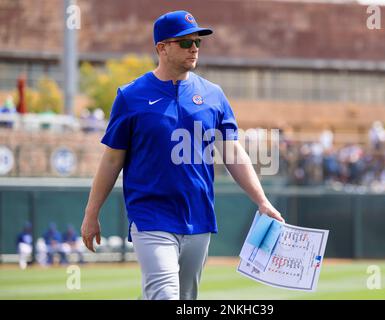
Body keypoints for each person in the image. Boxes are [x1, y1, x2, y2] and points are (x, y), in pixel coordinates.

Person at [81, 10, 284, 300]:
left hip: (199, 216)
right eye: (185, 43)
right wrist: (91, 213)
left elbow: (232, 152)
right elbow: (112, 159)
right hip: (151, 215)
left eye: (197, 43)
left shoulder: (213, 95)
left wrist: (262, 201)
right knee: (165, 295)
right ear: (161, 48)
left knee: (185, 299)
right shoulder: (131, 96)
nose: (194, 49)